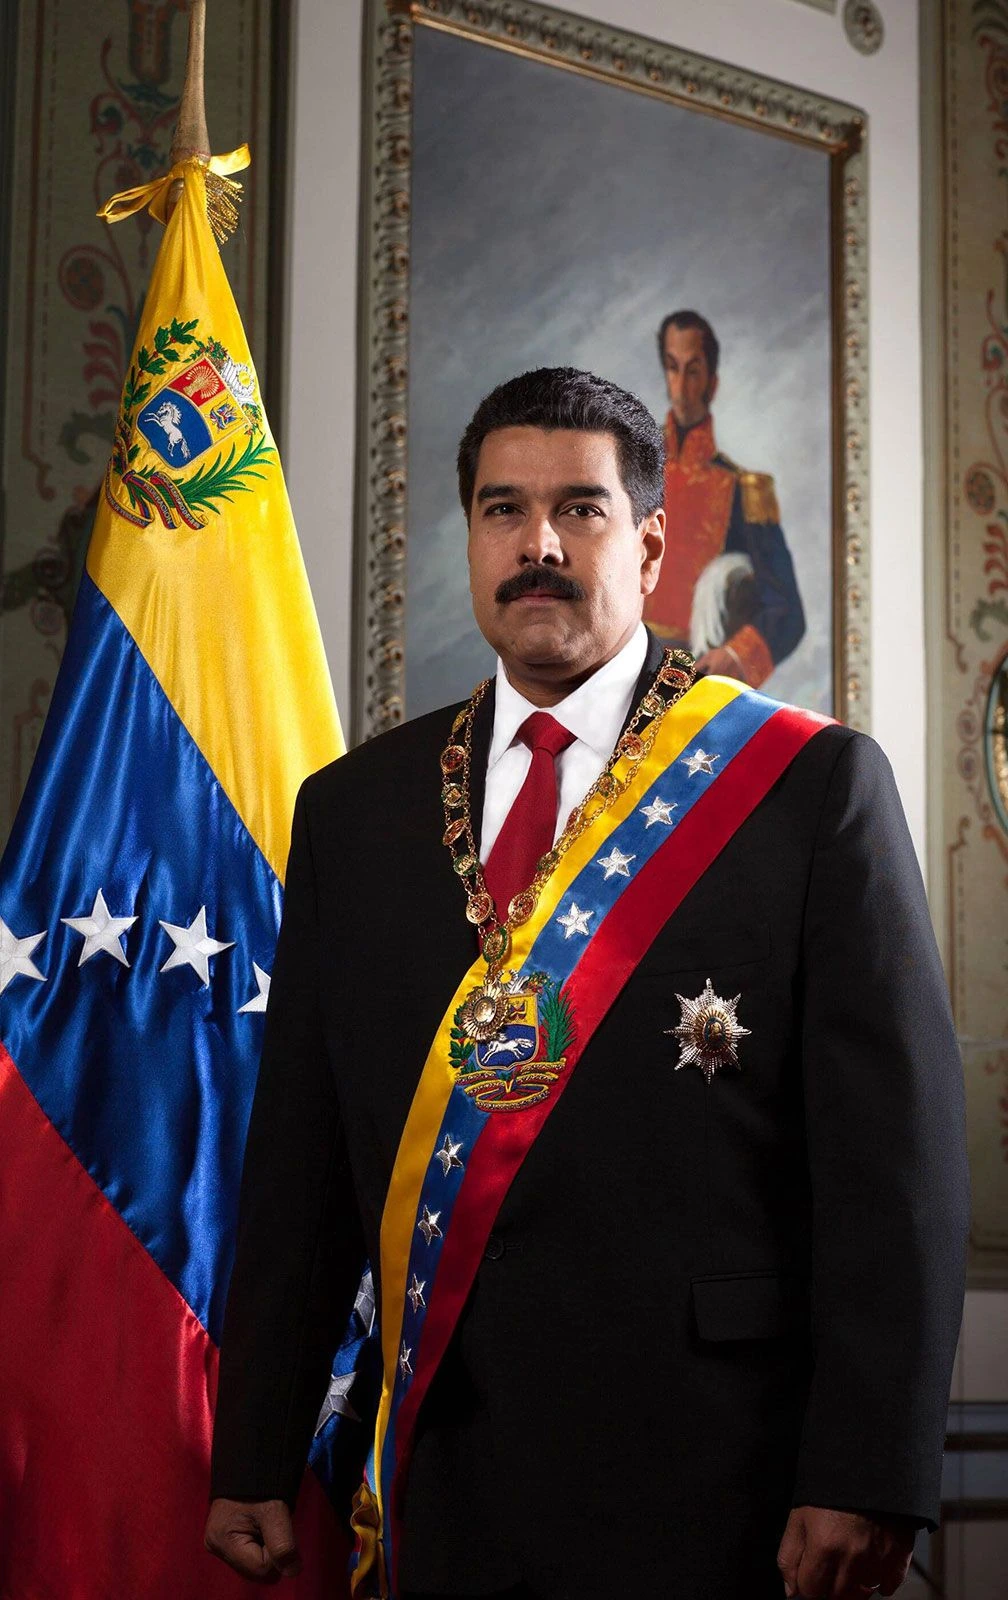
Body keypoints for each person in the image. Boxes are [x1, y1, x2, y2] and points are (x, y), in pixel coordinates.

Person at [206, 367, 969, 1600]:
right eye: (503, 510)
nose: (539, 546)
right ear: (471, 537)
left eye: (581, 509)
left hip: (719, 1475)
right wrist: (254, 1445)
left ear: (652, 543)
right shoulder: (354, 812)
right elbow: (303, 1160)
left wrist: (868, 1470)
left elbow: (896, 1168)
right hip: (446, 1469)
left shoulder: (807, 789)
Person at [644, 309, 806, 686]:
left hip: (697, 683)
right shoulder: (631, 474)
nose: (681, 386)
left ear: (712, 383)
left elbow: (786, 610)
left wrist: (734, 656)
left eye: (693, 370)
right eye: (672, 368)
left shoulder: (742, 491)